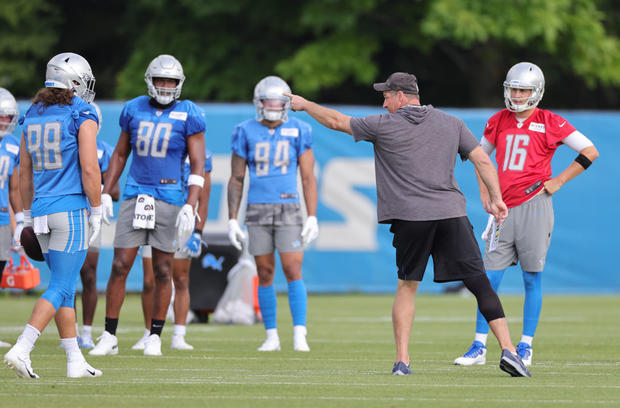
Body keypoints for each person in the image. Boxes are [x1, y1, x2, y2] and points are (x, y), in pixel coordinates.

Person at [286, 72, 531, 377]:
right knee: (479, 283)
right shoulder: (451, 123)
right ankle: (509, 351)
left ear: (401, 96)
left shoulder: (382, 125)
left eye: (386, 95)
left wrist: (305, 104)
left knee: (407, 285)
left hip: (411, 218)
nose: (383, 100)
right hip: (450, 214)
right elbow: (483, 160)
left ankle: (403, 361)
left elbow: (337, 121)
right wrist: (496, 199)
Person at [453, 62, 599, 367]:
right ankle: (480, 345)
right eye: (513, 89)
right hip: (503, 208)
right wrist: (485, 194)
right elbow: (481, 159)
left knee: (532, 278)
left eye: (523, 90)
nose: (517, 95)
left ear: (536, 92)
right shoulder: (498, 121)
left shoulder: (550, 122)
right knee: (488, 280)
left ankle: (526, 345)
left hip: (535, 204)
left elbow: (589, 151)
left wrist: (559, 180)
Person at [89, 54, 205, 357]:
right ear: (150, 81)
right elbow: (119, 155)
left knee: (164, 269)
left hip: (168, 197)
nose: (165, 86)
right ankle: (109, 335)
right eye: (160, 80)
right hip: (135, 193)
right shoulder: (134, 109)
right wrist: (104, 191)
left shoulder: (189, 113)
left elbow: (198, 164)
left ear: (179, 84)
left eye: (171, 81)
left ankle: (154, 335)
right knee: (120, 265)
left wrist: (191, 205)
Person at [3, 52, 103, 378]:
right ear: (73, 81)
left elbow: (24, 175)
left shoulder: (32, 114)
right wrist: (98, 206)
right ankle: (23, 347)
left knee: (63, 286)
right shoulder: (81, 113)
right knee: (61, 286)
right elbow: (90, 169)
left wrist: (29, 214)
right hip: (70, 209)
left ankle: (74, 360)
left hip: (42, 210)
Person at [227, 76, 318, 352]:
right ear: (259, 102)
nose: (273, 106)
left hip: (289, 207)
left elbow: (308, 178)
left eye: (278, 101)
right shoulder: (245, 130)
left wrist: (311, 215)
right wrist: (232, 217)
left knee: (292, 268)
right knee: (264, 271)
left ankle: (299, 333)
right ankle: (271, 335)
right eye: (268, 100)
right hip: (257, 208)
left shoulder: (300, 129)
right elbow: (237, 178)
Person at [132, 146, 212, 351]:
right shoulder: (161, 146)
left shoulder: (202, 153)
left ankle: (179, 335)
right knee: (150, 280)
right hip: (157, 216)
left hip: (184, 220)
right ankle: (148, 333)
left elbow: (204, 196)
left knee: (181, 278)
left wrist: (198, 232)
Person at [77, 102, 120, 349]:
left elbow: (115, 190)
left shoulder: (105, 151)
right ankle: (69, 331)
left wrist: (102, 190)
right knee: (68, 274)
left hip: (91, 216)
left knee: (89, 274)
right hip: (69, 212)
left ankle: (86, 331)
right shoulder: (70, 147)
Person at [0, 88, 24, 349]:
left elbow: (14, 188)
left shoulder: (12, 144)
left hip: (3, 219)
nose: (4, 121)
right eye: (1, 116)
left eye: (8, 117)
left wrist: (19, 220)